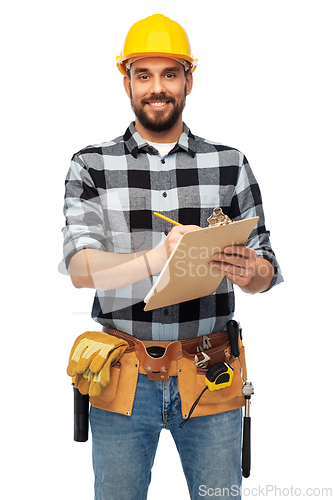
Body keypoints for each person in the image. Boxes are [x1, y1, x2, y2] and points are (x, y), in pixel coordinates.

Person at [62, 14, 283, 500]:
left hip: (211, 376)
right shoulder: (91, 165)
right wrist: (154, 258)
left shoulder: (229, 164)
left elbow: (266, 263)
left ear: (189, 80)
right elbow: (80, 269)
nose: (156, 88)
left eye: (169, 74)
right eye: (144, 75)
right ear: (127, 83)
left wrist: (252, 273)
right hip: (121, 378)